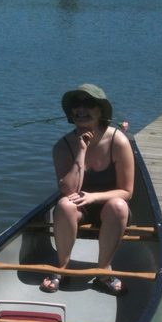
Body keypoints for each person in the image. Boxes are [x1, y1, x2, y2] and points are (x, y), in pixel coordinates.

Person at [40, 84, 134, 296]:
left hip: (110, 208)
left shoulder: (118, 141)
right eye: (76, 105)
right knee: (64, 205)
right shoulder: (62, 146)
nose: (81, 110)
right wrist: (81, 151)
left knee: (119, 206)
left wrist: (93, 197)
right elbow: (68, 189)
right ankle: (62, 268)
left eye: (89, 104)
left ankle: (103, 272)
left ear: (101, 111)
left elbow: (127, 191)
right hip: (79, 209)